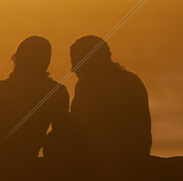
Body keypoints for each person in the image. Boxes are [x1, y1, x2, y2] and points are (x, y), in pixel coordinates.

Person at [49, 35, 151, 170]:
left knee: (52, 141)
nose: (73, 69)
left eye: (76, 62)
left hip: (109, 158)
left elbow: (77, 126)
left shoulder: (89, 85)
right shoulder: (132, 80)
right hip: (139, 152)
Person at [0, 36, 69, 167]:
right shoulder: (57, 92)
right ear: (46, 61)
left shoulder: (3, 89)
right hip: (27, 160)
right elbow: (60, 137)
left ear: (19, 59)